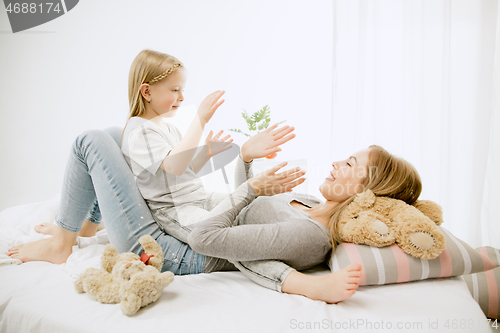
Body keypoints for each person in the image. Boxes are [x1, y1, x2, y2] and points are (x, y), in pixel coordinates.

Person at [6, 49, 422, 304]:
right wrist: (244, 159)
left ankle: (61, 243)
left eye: (349, 166)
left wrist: (302, 285)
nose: (336, 164)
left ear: (366, 192)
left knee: (91, 140)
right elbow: (245, 211)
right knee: (119, 137)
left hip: (172, 245)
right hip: (185, 220)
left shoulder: (314, 235)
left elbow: (218, 239)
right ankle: (89, 223)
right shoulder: (310, 204)